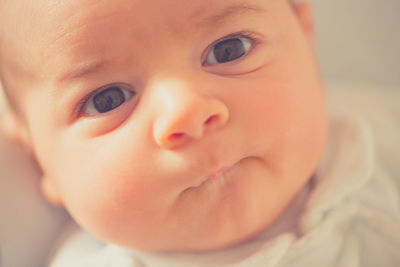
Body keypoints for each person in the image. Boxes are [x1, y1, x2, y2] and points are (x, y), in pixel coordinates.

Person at [0, 0, 399, 266]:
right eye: (107, 100)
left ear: (305, 36)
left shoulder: (382, 135)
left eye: (230, 49)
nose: (187, 113)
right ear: (39, 157)